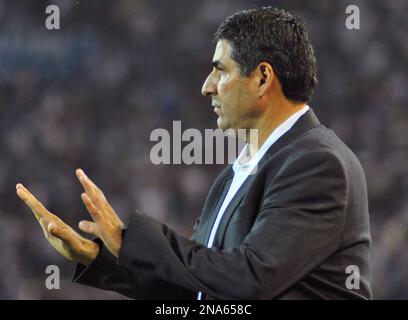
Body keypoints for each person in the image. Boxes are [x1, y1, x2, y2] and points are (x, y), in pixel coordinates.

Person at [16, 7, 372, 299]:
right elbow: (200, 294)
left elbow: (250, 281)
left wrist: (130, 241)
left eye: (220, 70)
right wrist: (101, 259)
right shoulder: (234, 176)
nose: (207, 87)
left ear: (263, 78)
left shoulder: (316, 162)